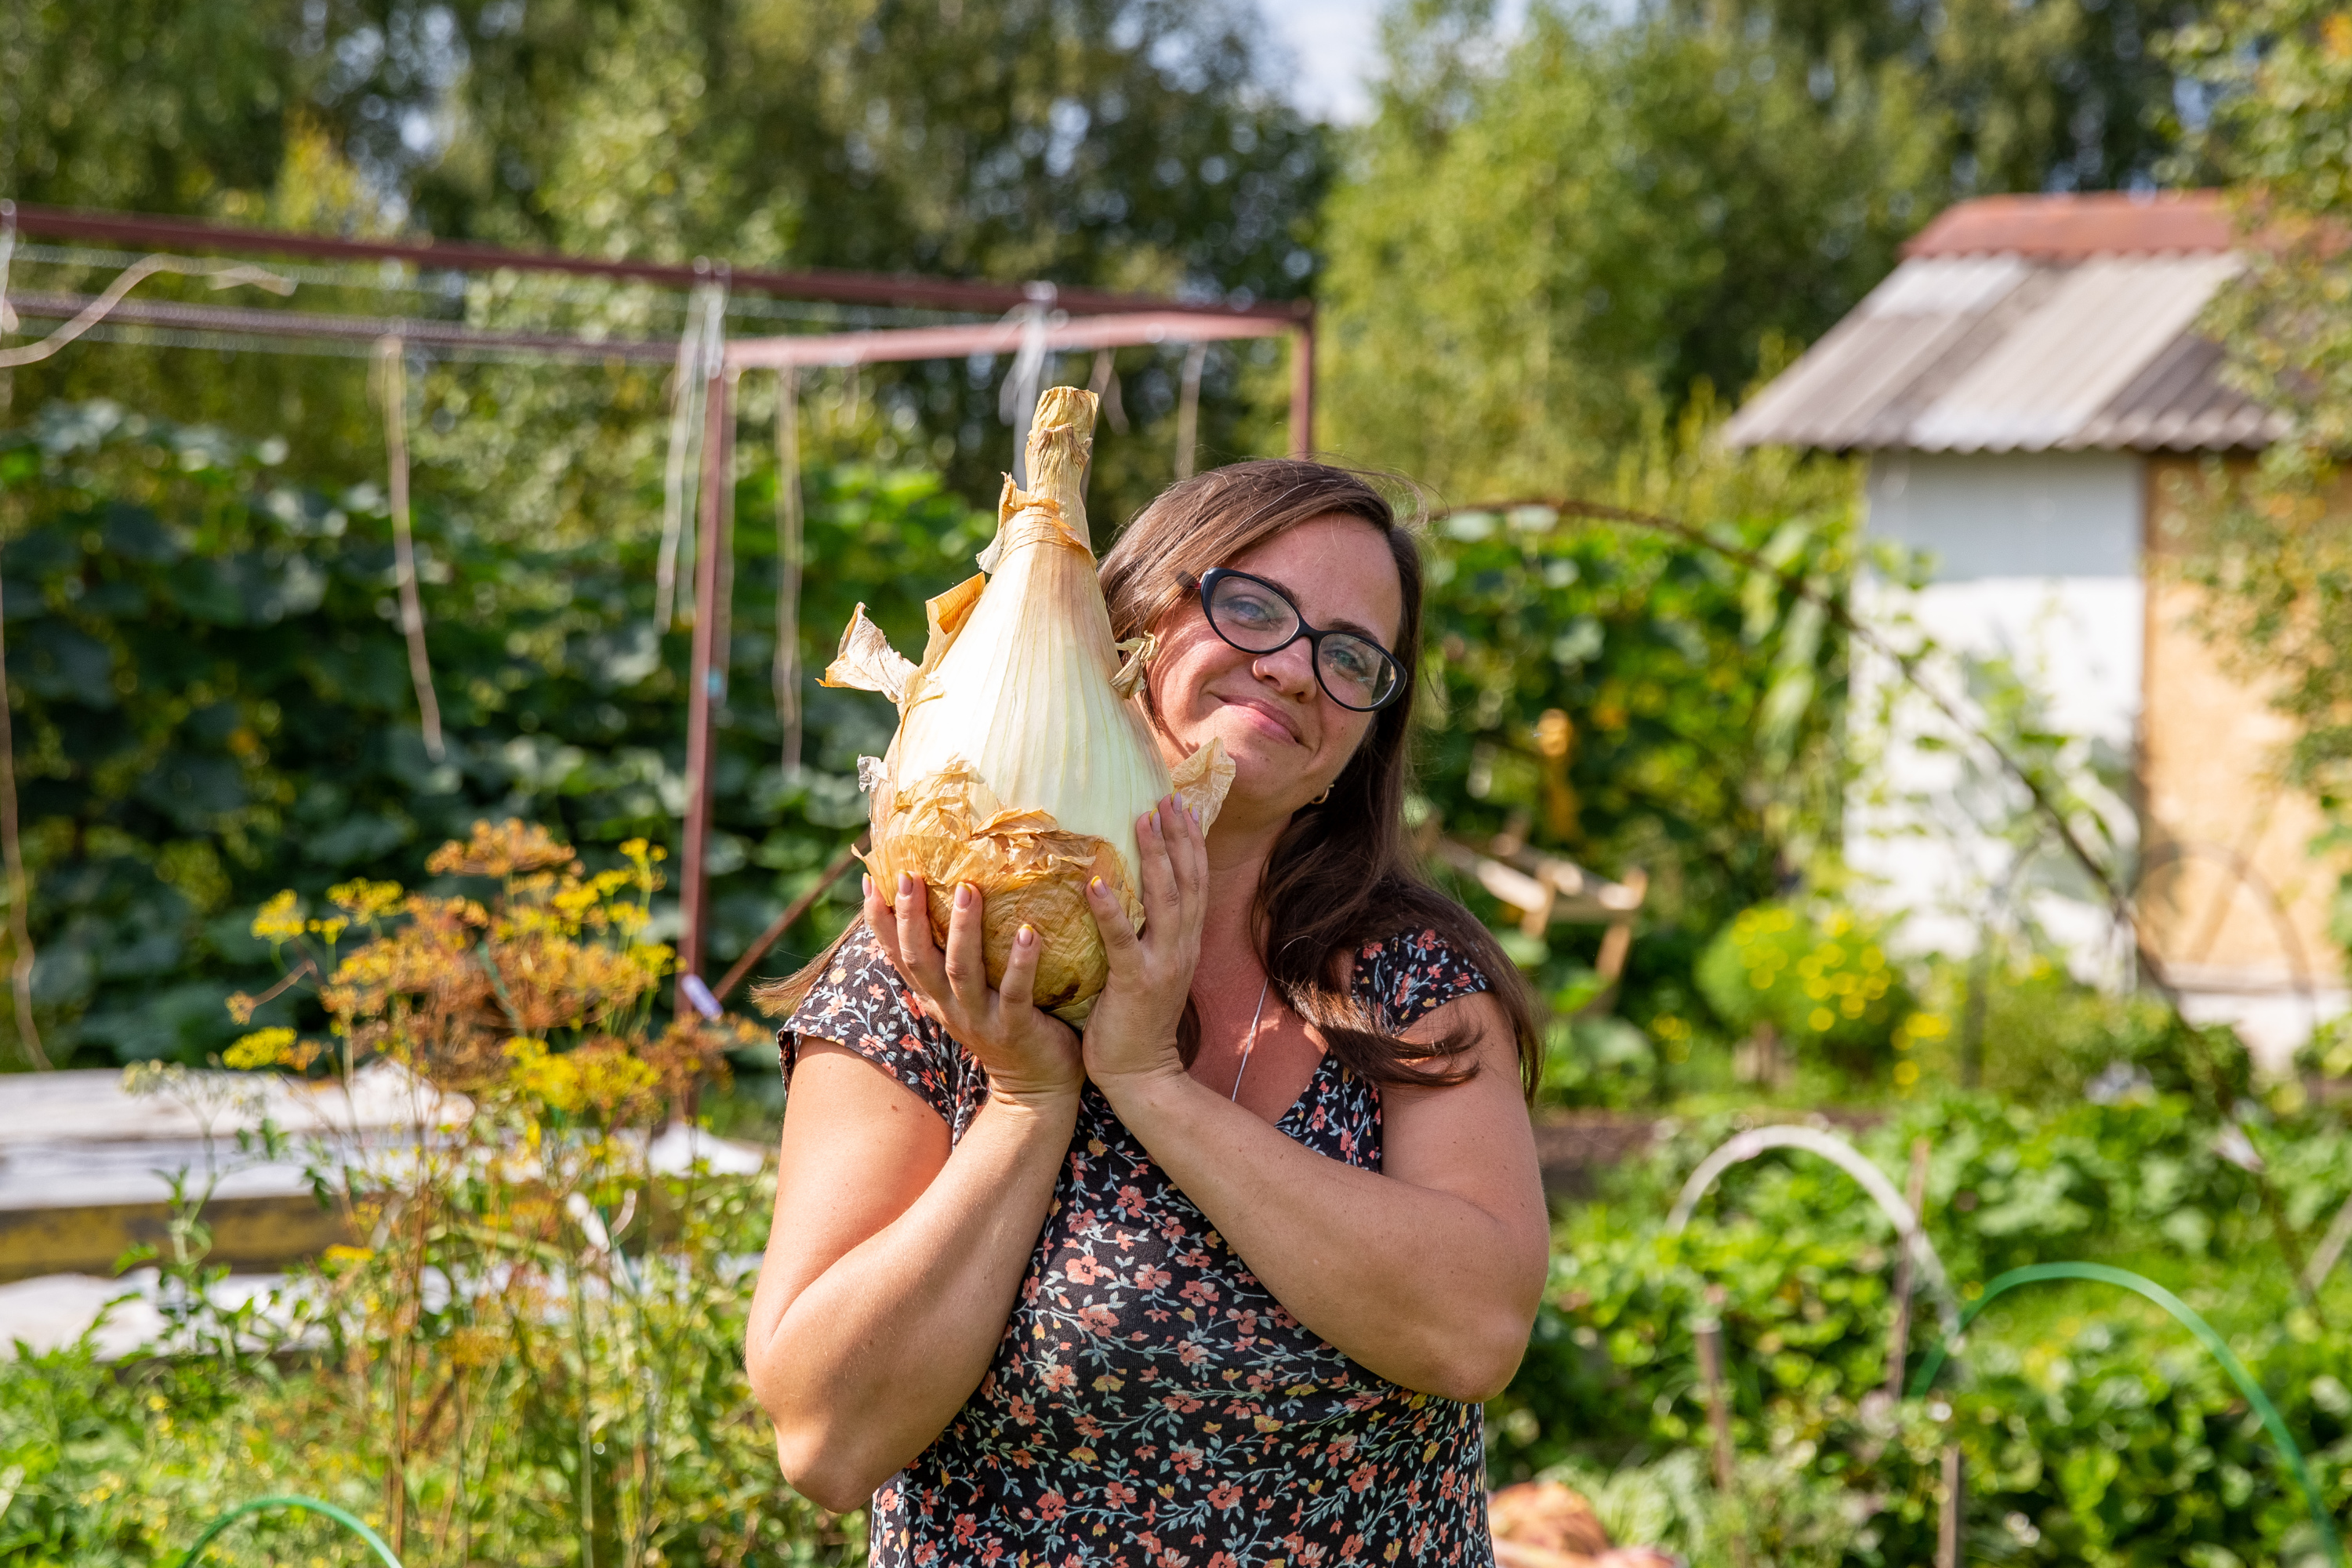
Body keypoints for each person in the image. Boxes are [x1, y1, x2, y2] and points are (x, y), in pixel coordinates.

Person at [744, 459, 1551, 1566]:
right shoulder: (938, 955)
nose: (1297, 669)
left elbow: (1474, 1331)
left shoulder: (1412, 980)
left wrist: (1153, 1089)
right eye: (1253, 607)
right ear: (1125, 621)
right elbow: (828, 1441)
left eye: (1352, 655)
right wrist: (1029, 1102)